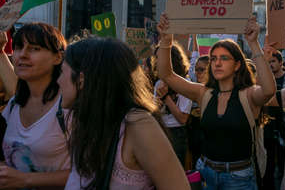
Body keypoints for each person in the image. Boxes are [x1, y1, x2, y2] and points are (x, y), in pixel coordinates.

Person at [157, 13, 276, 190]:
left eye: (224, 58)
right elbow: (166, 74)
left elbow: (268, 90)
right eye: (213, 58)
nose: (217, 63)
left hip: (239, 179)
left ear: (237, 65)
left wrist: (253, 43)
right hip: (205, 174)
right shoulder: (203, 93)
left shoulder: (248, 95)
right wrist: (166, 41)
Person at [60, 37, 189, 190]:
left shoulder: (138, 125)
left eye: (61, 72)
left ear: (81, 79)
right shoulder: (86, 119)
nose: (57, 80)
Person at [0, 24, 70, 189]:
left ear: (58, 58)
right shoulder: (13, 106)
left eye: (34, 49)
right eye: (18, 47)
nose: (22, 55)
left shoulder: (69, 107)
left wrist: (25, 179)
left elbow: (90, 172)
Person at [264, 51, 285, 190]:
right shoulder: (265, 81)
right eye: (268, 62)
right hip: (268, 129)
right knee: (268, 165)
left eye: (273, 61)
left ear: (280, 62)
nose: (271, 64)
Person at [154, 42, 192, 167]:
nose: (156, 62)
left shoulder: (185, 83)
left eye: (159, 58)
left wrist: (166, 97)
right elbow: (156, 112)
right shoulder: (159, 83)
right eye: (157, 58)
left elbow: (182, 119)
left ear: (171, 60)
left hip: (176, 134)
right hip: (160, 131)